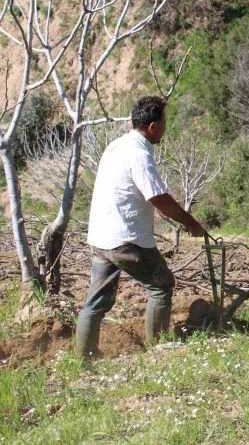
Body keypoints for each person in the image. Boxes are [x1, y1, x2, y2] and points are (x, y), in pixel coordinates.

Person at [75, 96, 206, 357]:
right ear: (153, 127)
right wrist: (190, 222)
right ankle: (157, 348)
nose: (165, 129)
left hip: (101, 237)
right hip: (126, 240)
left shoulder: (117, 146)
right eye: (164, 124)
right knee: (162, 285)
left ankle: (84, 357)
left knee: (96, 302)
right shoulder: (139, 153)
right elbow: (158, 198)